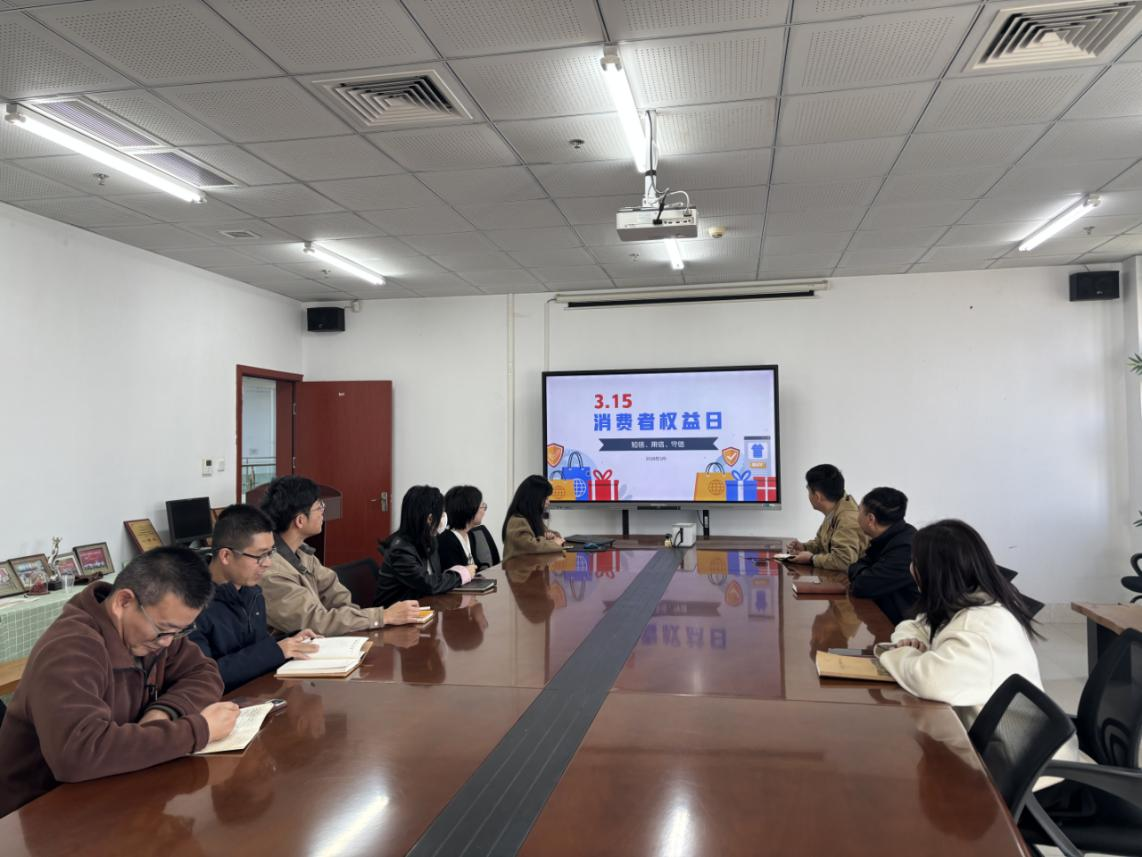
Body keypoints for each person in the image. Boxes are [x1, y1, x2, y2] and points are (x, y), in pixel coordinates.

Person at [0, 547, 237, 816]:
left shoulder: (153, 635)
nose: (168, 642)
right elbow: (78, 754)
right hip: (39, 812)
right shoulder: (70, 648)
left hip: (114, 787)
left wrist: (163, 713)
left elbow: (204, 672)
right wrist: (197, 731)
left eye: (179, 632)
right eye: (163, 630)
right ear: (123, 602)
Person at [877, 519, 1047, 729]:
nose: (911, 569)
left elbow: (929, 681)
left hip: (1004, 747)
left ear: (933, 572)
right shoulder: (968, 601)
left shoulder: (978, 625)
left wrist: (900, 652)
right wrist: (912, 640)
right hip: (985, 735)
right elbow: (915, 624)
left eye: (915, 562)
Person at [259, 475, 422, 635]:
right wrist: (381, 617)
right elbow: (314, 622)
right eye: (319, 507)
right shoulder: (271, 572)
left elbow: (337, 596)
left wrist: (359, 621)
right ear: (300, 521)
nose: (323, 512)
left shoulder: (304, 554)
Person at [189, 504, 321, 693]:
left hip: (260, 696)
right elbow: (205, 677)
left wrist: (291, 641)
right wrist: (276, 651)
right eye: (260, 555)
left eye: (270, 553)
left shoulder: (253, 592)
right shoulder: (190, 605)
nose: (268, 563)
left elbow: (255, 650)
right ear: (226, 556)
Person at [374, 485, 475, 607]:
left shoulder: (430, 539)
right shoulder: (400, 550)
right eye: (441, 513)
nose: (444, 518)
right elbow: (429, 584)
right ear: (430, 519)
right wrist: (462, 575)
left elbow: (435, 578)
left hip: (423, 607)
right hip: (395, 614)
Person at [846, 487, 920, 624]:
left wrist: (861, 572)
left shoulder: (906, 547)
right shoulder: (889, 537)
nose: (857, 516)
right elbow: (855, 567)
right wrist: (862, 572)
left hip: (906, 628)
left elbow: (862, 586)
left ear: (870, 519)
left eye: (859, 510)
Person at [785, 464, 867, 570]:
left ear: (817, 496)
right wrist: (804, 547)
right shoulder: (836, 509)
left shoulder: (847, 518)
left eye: (809, 491)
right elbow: (822, 544)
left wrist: (811, 559)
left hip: (851, 579)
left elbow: (844, 561)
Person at [502, 475, 565, 561]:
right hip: (519, 568)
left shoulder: (531, 519)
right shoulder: (517, 521)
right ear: (534, 499)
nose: (548, 502)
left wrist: (552, 537)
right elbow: (531, 547)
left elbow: (552, 536)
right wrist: (553, 543)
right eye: (545, 498)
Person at [438, 484, 500, 571]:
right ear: (469, 509)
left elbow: (475, 566)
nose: (484, 510)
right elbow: (454, 575)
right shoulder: (447, 541)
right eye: (482, 506)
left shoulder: (470, 535)